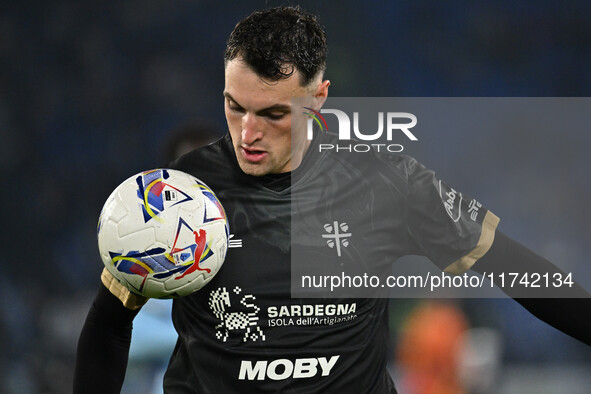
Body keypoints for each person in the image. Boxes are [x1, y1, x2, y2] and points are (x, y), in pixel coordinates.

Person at [74, 6, 591, 393]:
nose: (247, 133)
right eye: (234, 107)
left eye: (273, 114)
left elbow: (522, 273)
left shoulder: (388, 183)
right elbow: (109, 324)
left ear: (317, 100)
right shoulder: (181, 194)